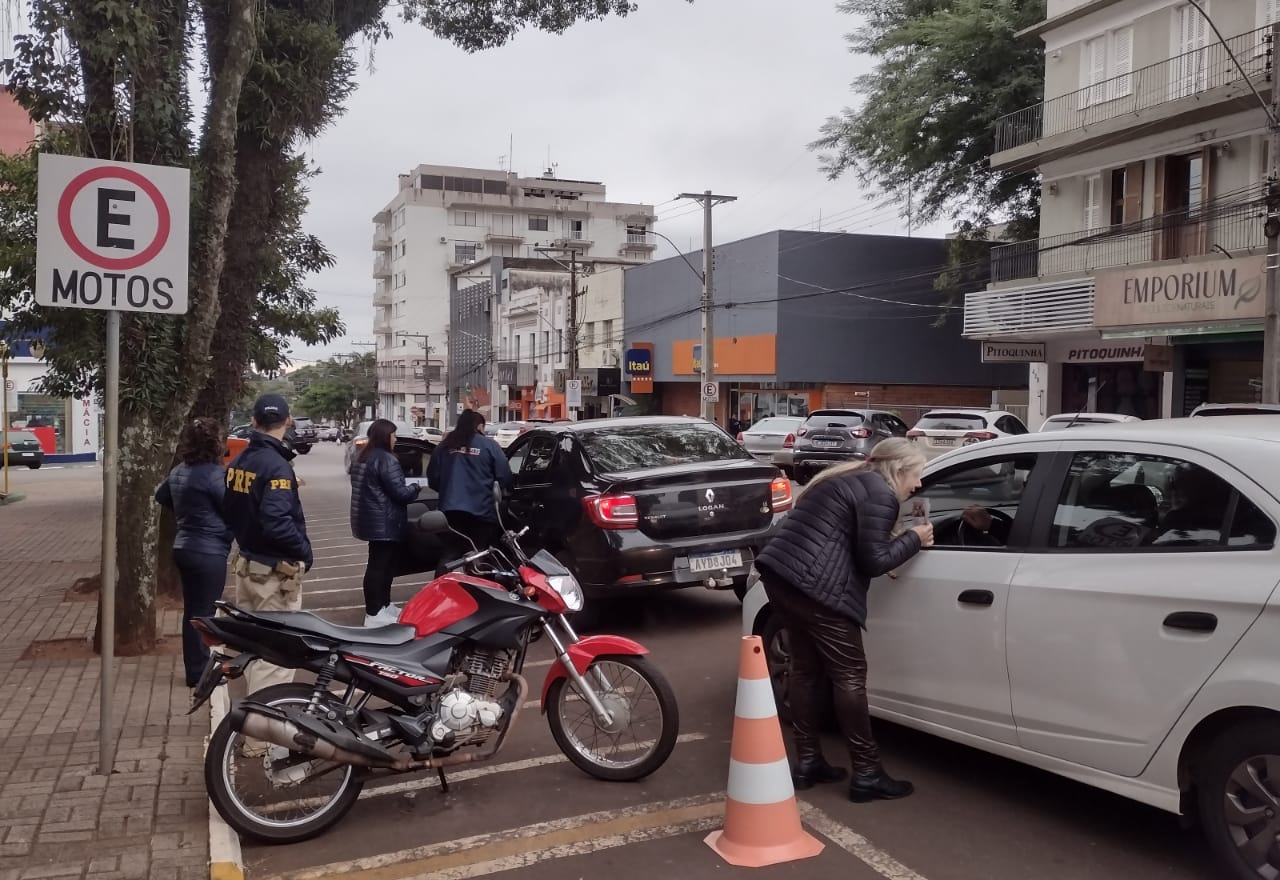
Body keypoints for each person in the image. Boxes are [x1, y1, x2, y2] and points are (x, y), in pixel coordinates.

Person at [755, 437, 933, 803]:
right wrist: (914, 538)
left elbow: (848, 540)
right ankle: (866, 773)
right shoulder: (881, 494)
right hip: (818, 589)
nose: (918, 484)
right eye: (916, 474)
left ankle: (808, 762)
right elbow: (874, 561)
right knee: (850, 677)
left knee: (804, 670)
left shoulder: (848, 480)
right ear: (899, 470)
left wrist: (894, 542)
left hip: (782, 578)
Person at [223, 394, 313, 700]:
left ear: (253, 422)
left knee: (256, 652)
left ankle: (253, 734)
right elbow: (277, 522)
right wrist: (304, 551)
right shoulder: (276, 467)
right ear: (288, 421)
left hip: (247, 567)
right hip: (274, 576)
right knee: (276, 660)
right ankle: (260, 744)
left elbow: (230, 510)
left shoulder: (239, 461)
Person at [155, 417, 233, 688]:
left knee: (193, 611)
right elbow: (232, 508)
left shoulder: (179, 471)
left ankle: (195, 669)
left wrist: (185, 511)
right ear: (216, 444)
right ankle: (200, 673)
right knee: (205, 614)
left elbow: (161, 495)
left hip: (183, 546)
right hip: (209, 551)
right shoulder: (215, 475)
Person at [349, 419, 422, 627]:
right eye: (393, 435)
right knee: (380, 567)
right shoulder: (386, 460)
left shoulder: (362, 457)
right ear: (385, 437)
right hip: (384, 521)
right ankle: (374, 613)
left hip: (369, 519)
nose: (396, 439)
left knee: (382, 565)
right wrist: (416, 487)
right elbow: (400, 493)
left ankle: (383, 606)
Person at [427, 409, 513, 551]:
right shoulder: (489, 446)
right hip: (481, 512)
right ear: (479, 426)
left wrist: (447, 491)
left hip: (450, 513)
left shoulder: (444, 446)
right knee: (479, 553)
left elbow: (434, 479)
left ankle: (448, 572)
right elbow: (504, 476)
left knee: (452, 553)